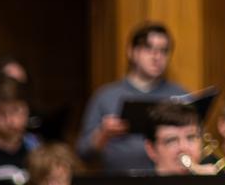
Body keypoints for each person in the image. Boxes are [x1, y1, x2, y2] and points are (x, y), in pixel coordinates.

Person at [78, 22, 187, 175]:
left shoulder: (179, 96)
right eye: (149, 48)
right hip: (118, 182)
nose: (156, 56)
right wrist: (103, 134)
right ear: (131, 51)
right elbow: (83, 152)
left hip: (169, 181)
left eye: (163, 51)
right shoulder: (105, 96)